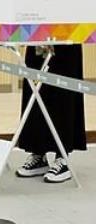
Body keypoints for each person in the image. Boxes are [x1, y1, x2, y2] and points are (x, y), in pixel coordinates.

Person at [16, 44, 86, 183]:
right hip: (36, 30)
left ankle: (62, 158)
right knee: (34, 91)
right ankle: (38, 154)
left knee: (62, 93)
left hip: (65, 33)